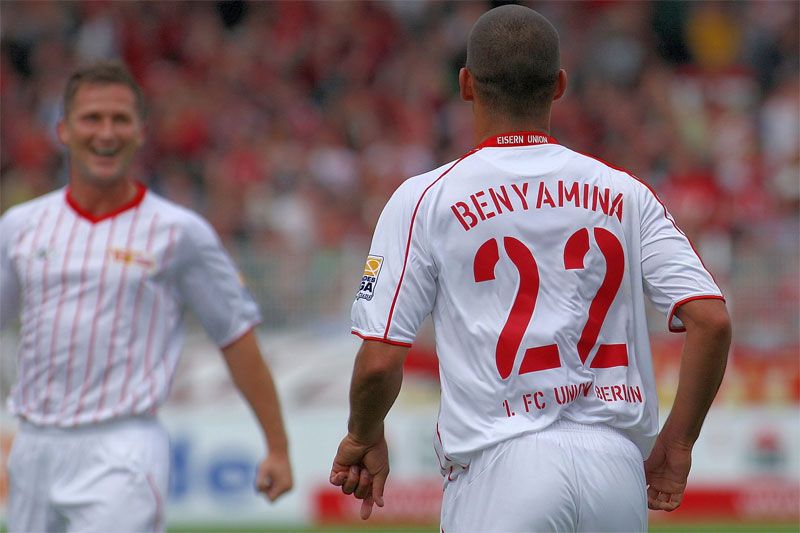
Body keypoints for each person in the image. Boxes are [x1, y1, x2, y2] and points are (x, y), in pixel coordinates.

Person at [330, 5, 731, 532]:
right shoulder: (624, 192)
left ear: (466, 84)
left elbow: (380, 361)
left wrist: (363, 435)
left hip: (503, 462)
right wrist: (677, 444)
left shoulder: (426, 198)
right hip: (615, 470)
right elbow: (712, 320)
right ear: (560, 85)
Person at [0, 61, 292, 532]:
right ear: (63, 130)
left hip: (124, 447)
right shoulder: (20, 227)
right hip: (32, 445)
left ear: (140, 132)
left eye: (120, 119)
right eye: (92, 118)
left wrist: (277, 447)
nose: (106, 132)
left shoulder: (179, 233)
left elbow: (236, 336)